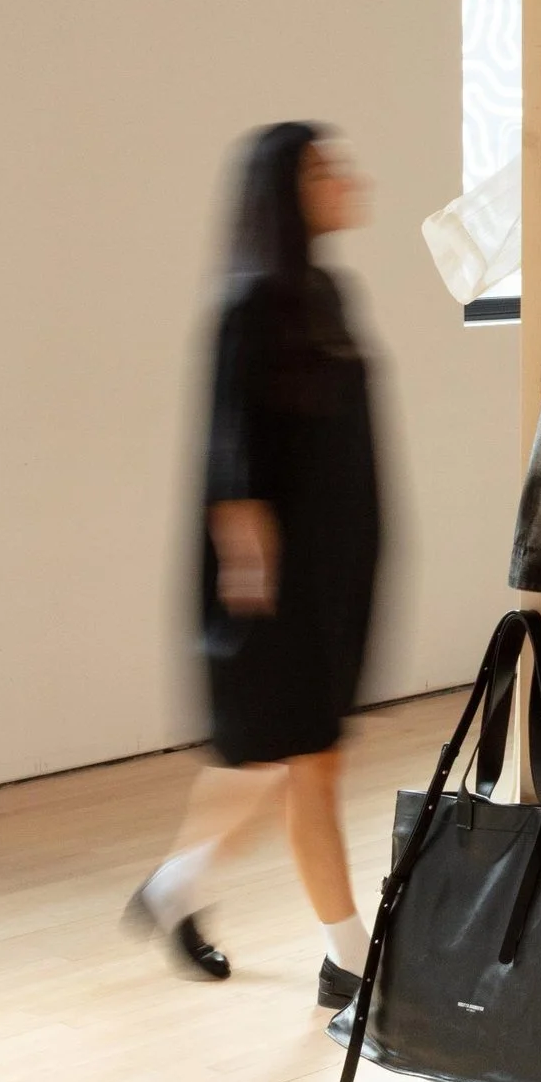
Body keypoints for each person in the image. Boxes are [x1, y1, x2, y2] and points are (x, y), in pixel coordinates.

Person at [125, 123, 382, 1003]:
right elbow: (228, 450)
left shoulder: (327, 294)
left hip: (331, 570)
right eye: (323, 168)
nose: (345, 178)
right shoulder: (249, 307)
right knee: (305, 762)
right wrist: (249, 575)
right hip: (274, 585)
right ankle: (349, 959)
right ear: (286, 191)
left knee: (272, 764)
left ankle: (174, 890)